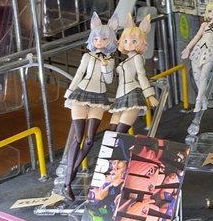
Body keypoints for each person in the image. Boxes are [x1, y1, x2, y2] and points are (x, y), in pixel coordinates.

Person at [61, 13, 119, 200]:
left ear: (110, 40)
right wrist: (69, 92)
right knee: (78, 137)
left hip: (99, 96)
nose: (99, 41)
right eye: (96, 38)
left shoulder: (110, 60)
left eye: (103, 39)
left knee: (90, 139)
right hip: (81, 94)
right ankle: (67, 181)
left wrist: (106, 67)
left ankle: (72, 171)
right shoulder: (87, 57)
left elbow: (109, 80)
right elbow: (79, 74)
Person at [109, 14, 158, 134]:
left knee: (119, 132)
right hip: (120, 96)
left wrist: (149, 95)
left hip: (132, 93)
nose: (129, 44)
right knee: (111, 132)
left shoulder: (137, 57)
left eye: (134, 41)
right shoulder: (125, 60)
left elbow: (141, 75)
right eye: (126, 41)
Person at [181, 0, 213, 111]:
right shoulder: (204, 24)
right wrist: (188, 48)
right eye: (210, 11)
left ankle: (198, 101)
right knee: (196, 75)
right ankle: (204, 100)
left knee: (204, 75)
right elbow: (196, 37)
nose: (212, 13)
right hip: (199, 49)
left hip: (211, 50)